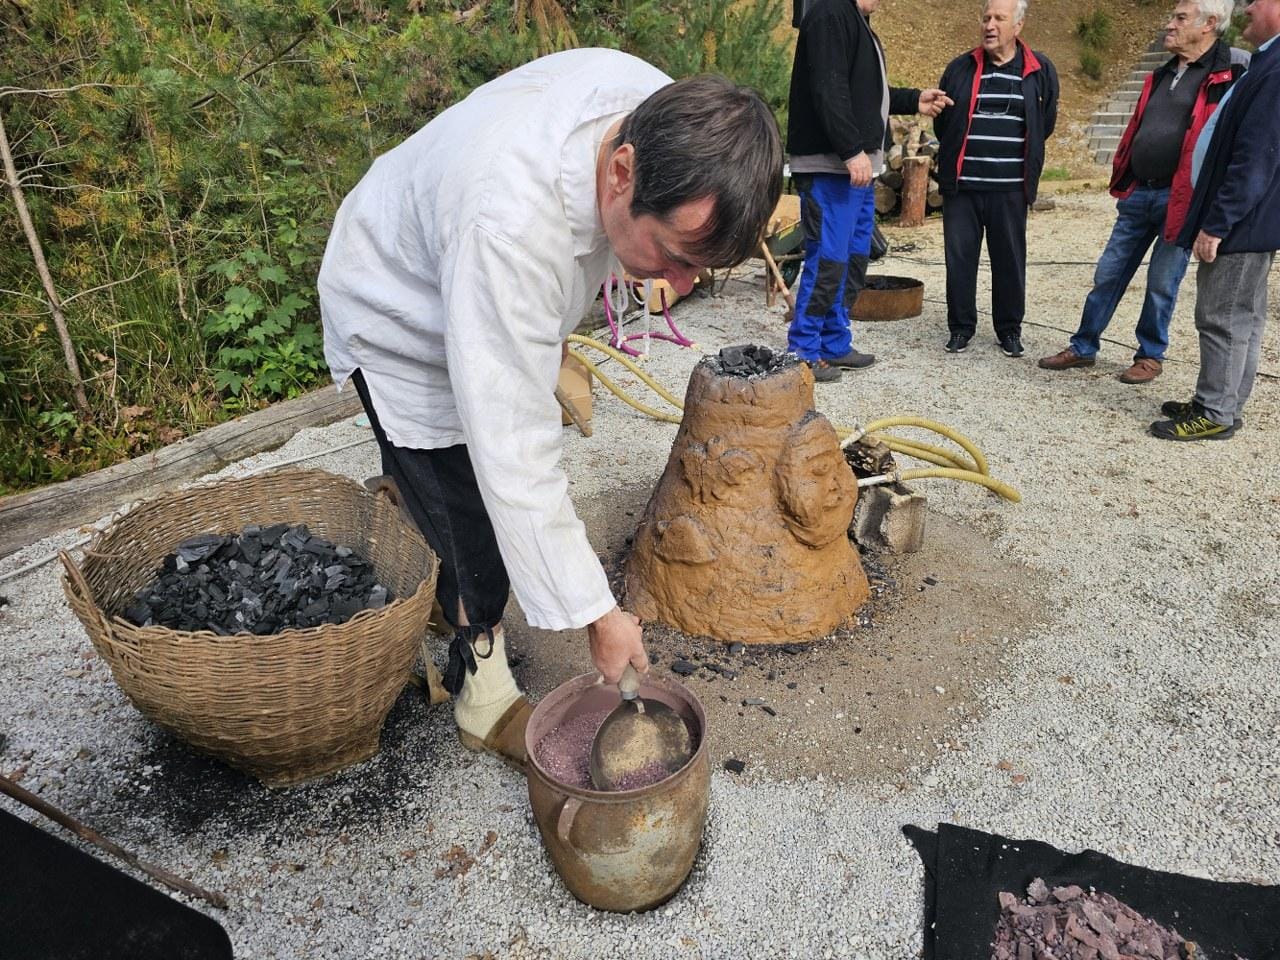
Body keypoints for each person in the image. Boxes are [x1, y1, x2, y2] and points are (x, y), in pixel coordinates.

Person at [318, 49, 782, 767]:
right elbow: (516, 457)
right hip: (396, 306)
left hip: (469, 269)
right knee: (465, 504)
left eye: (701, 267)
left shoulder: (670, 118)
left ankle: (429, 547)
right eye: (674, 255)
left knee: (475, 492)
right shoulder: (508, 223)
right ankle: (483, 693)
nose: (681, 286)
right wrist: (597, 615)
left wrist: (543, 338)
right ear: (623, 171)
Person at [1039, 0, 1246, 384]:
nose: (1169, 25)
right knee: (1108, 273)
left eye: (1180, 19)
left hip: (1180, 198)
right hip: (1140, 193)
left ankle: (1150, 355)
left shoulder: (1229, 73)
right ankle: (1084, 346)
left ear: (1210, 24)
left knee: (1162, 283)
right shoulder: (1163, 73)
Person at [786, 0, 952, 383]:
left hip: (854, 169)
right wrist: (849, 149)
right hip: (832, 167)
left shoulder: (855, 20)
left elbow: (864, 92)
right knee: (827, 259)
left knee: (854, 257)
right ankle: (803, 351)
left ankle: (833, 340)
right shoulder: (829, 13)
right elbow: (828, 89)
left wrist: (914, 100)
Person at [1151, 0, 1280, 440]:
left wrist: (1218, 223)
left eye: (1256, 2)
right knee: (1241, 316)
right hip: (1251, 222)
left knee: (1221, 316)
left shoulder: (1276, 70)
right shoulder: (1269, 62)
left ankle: (1214, 411)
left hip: (1241, 224)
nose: (1246, 8)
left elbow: (1254, 160)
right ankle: (1223, 401)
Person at [933, 0, 1058, 358]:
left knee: (1009, 261)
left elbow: (1043, 123)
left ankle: (1009, 330)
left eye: (999, 18)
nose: (989, 25)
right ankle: (960, 328)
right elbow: (944, 125)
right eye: (986, 17)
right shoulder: (960, 68)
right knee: (959, 261)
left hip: (1010, 189)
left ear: (1018, 26)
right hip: (963, 187)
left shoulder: (1040, 70)